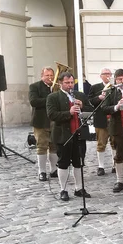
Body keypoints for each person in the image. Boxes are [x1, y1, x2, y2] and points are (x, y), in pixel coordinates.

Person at [46, 72, 92, 201]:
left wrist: (82, 106)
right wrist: (69, 112)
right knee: (63, 163)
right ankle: (63, 189)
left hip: (79, 134)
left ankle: (79, 188)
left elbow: (91, 110)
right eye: (67, 83)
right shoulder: (53, 97)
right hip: (63, 134)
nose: (70, 85)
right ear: (61, 83)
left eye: (72, 82)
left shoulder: (80, 95)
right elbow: (52, 114)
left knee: (79, 162)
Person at [28, 67, 58, 181]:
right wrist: (50, 98)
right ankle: (42, 172)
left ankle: (54, 170)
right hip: (41, 120)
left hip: (54, 121)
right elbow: (33, 101)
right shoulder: (35, 86)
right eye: (47, 75)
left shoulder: (56, 87)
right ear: (42, 76)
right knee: (42, 146)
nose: (50, 78)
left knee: (54, 146)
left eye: (51, 75)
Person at [88, 68, 116, 176]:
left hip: (113, 118)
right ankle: (101, 166)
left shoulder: (115, 87)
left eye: (109, 74)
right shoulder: (95, 87)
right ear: (101, 76)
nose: (108, 75)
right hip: (101, 118)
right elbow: (89, 101)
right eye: (105, 74)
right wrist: (99, 98)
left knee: (115, 143)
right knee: (101, 143)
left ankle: (115, 165)